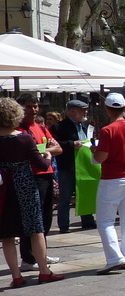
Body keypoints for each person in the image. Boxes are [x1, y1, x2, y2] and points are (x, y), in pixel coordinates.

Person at [0, 97, 64, 287]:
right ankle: (44, 271)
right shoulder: (23, 138)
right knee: (36, 229)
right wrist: (48, 154)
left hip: (4, 188)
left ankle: (16, 276)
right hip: (25, 184)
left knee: (7, 235)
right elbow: (42, 164)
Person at [93, 92, 125, 275]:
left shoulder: (107, 130)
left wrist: (94, 151)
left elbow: (101, 158)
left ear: (107, 109)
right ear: (124, 108)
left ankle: (115, 258)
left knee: (105, 220)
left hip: (113, 178)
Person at [14, 94, 61, 270]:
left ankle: (40, 253)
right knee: (32, 218)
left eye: (35, 106)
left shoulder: (41, 127)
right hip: (31, 176)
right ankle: (28, 258)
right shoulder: (17, 129)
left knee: (46, 217)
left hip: (46, 173)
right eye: (29, 106)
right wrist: (43, 151)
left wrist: (43, 150)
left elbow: (58, 148)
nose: (34, 110)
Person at [53, 99, 96, 233]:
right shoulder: (59, 127)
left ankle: (87, 219)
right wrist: (72, 144)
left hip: (84, 165)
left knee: (84, 193)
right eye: (83, 110)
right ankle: (64, 224)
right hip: (68, 166)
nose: (85, 113)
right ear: (72, 111)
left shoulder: (84, 125)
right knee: (65, 196)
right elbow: (55, 144)